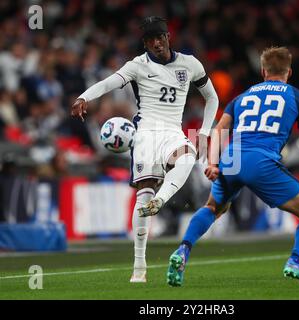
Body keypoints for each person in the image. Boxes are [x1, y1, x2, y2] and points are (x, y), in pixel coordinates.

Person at [166, 47, 299, 288]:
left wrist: (213, 163)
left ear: (263, 71)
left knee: (213, 207)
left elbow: (217, 131)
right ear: (289, 72)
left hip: (231, 159)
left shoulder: (242, 96)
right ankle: (296, 261)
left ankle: (183, 250)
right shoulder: (297, 96)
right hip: (261, 162)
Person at [71, 16, 218, 283]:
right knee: (143, 196)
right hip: (146, 134)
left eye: (159, 37)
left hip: (173, 131)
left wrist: (205, 133)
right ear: (145, 43)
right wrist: (84, 97)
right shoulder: (137, 65)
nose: (155, 43)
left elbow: (212, 97)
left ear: (167, 37)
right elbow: (109, 83)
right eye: (150, 40)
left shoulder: (190, 63)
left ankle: (162, 199)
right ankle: (139, 269)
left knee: (188, 156)